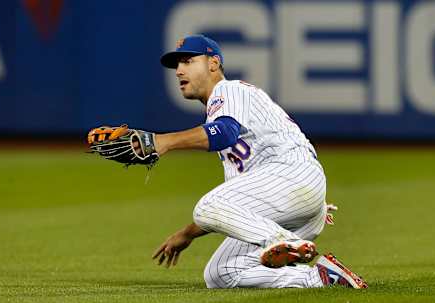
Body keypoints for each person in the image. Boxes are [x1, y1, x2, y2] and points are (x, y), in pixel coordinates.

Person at [151, 34, 367, 289]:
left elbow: (225, 133)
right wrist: (187, 234)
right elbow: (236, 208)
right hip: (290, 199)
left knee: (206, 205)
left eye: (187, 61)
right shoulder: (221, 110)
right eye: (177, 65)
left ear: (213, 63)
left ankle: (282, 241)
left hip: (292, 175)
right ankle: (321, 278)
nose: (179, 71)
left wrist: (163, 141)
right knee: (220, 274)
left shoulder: (229, 90)